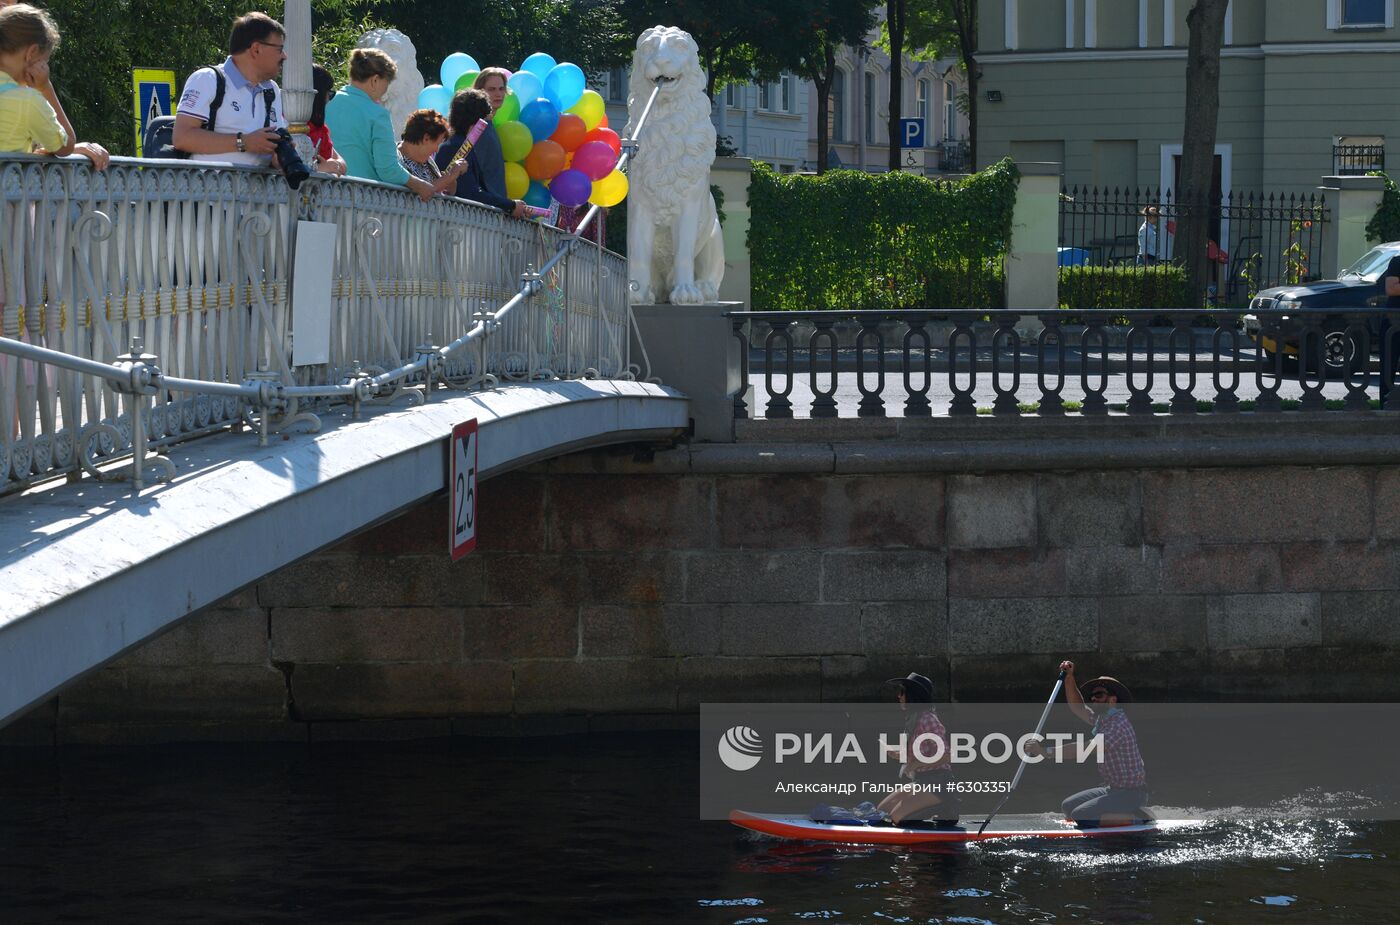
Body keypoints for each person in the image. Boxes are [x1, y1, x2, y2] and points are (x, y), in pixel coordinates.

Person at [1027, 660, 1149, 827]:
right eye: (1093, 695)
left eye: (1099, 695)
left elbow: (1087, 748)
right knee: (1068, 807)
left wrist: (1045, 751)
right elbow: (1078, 707)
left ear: (1112, 700)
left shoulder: (1118, 725)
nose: (1093, 698)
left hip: (1132, 794)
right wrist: (1069, 678)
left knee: (1081, 815)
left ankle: (1138, 819)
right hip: (1113, 789)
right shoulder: (1103, 720)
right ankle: (1121, 813)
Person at [172, 12, 288, 167]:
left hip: (257, 191)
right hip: (208, 189)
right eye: (279, 49)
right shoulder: (208, 79)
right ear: (256, 49)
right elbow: (182, 137)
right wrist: (243, 142)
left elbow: (271, 151)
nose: (284, 56)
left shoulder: (271, 90)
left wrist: (280, 157)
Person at [0, 3, 108, 169]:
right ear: (31, 53)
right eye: (44, 61)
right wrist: (45, 87)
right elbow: (67, 145)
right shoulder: (27, 101)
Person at [325, 48, 437, 201]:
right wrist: (420, 185)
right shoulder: (377, 114)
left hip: (327, 194)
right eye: (387, 83)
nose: (385, 91)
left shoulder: (329, 104)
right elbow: (388, 169)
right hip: (364, 202)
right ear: (375, 80)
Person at [875, 672, 959, 828]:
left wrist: (914, 765)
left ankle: (948, 804)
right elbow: (920, 755)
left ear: (912, 695)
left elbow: (948, 755)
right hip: (921, 781)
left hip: (939, 783)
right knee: (881, 812)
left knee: (896, 817)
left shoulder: (928, 719)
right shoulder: (913, 719)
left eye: (902, 692)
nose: (898, 696)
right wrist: (895, 754)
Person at [434, 89, 528, 218]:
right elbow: (471, 193)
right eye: (485, 120)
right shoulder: (457, 146)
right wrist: (510, 206)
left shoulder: (460, 144)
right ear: (478, 121)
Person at [470, 67, 511, 199]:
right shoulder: (478, 127)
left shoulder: (489, 124)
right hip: (483, 210)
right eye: (492, 89)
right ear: (480, 92)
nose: (498, 94)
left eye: (501, 88)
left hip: (495, 208)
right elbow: (474, 174)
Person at [305, 64, 347, 177]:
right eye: (328, 93)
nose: (328, 99)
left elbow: (342, 165)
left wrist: (334, 165)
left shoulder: (320, 128)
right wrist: (318, 168)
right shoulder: (286, 121)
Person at [397, 107, 456, 185]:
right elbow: (423, 193)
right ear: (426, 138)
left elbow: (440, 193)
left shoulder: (429, 162)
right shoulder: (394, 160)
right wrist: (447, 179)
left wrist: (450, 184)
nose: (437, 150)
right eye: (437, 143)